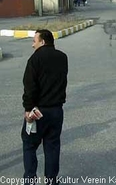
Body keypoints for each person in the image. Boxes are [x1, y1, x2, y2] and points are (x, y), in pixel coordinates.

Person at [21, 29, 68, 185]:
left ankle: (30, 179)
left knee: (29, 144)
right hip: (56, 110)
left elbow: (30, 87)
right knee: (52, 146)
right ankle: (51, 180)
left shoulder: (35, 60)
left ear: (42, 42)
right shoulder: (62, 57)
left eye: (34, 41)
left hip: (37, 111)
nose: (32, 44)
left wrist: (28, 109)